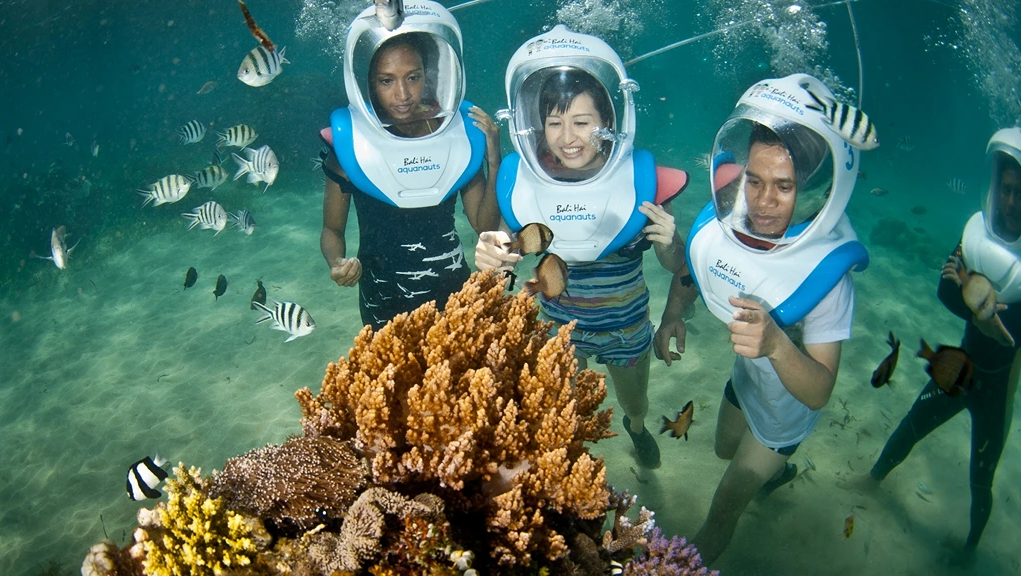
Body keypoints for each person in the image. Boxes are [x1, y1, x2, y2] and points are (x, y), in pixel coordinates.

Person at [659, 74, 870, 564]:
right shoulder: (732, 224)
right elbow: (698, 266)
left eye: (784, 186)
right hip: (746, 384)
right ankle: (779, 473)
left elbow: (819, 390)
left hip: (784, 415)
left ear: (814, 189)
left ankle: (685, 566)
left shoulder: (826, 275)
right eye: (753, 180)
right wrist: (673, 313)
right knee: (720, 451)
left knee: (724, 507)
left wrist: (776, 343)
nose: (763, 200)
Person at [474, 26, 692, 469]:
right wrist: (489, 257)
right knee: (558, 410)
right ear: (536, 125)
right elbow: (502, 252)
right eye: (554, 122)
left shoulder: (641, 183)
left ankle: (635, 426)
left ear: (609, 124)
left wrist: (672, 242)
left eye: (582, 122)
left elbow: (677, 266)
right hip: (560, 325)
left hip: (627, 327)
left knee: (635, 403)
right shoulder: (523, 183)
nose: (567, 137)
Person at [845, 127, 1021, 566]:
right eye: (1006, 190)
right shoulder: (975, 236)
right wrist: (980, 309)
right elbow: (943, 293)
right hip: (961, 367)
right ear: (995, 188)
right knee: (914, 420)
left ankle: (969, 550)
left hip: (998, 388)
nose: (1012, 203)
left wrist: (977, 303)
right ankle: (871, 479)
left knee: (982, 477)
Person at [319, 1, 501, 329]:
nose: (402, 94)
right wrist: (336, 262)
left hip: (453, 292)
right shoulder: (352, 149)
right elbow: (332, 230)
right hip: (382, 301)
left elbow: (483, 224)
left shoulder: (454, 135)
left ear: (428, 75)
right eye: (386, 81)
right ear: (368, 83)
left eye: (413, 77)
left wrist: (493, 156)